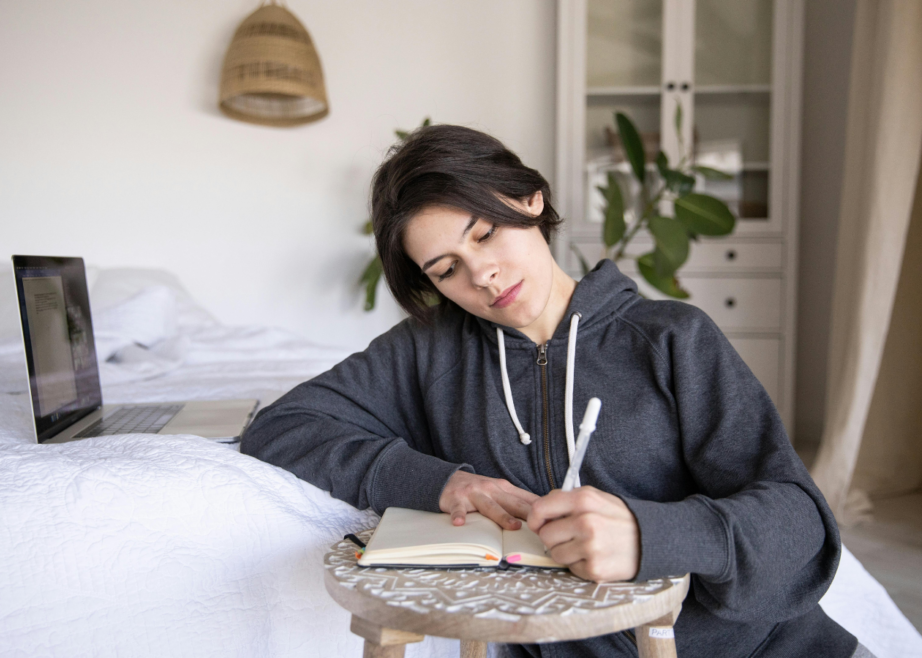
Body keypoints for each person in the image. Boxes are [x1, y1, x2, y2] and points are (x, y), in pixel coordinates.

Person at [241, 124, 867, 657]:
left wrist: (651, 536)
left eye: (485, 234)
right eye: (446, 270)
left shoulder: (672, 337)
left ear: (530, 200)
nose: (480, 274)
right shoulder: (426, 352)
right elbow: (283, 425)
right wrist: (442, 483)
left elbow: (800, 524)